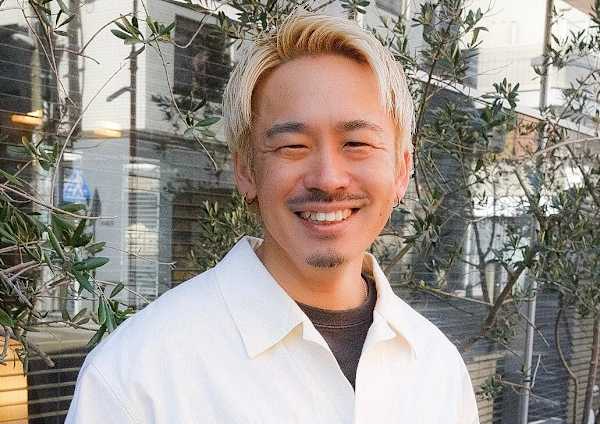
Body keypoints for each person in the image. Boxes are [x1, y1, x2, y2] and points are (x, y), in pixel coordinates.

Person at [66, 10, 480, 424]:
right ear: (246, 170)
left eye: (357, 143)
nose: (328, 178)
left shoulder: (438, 369)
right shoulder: (136, 377)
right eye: (292, 146)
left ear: (402, 171)